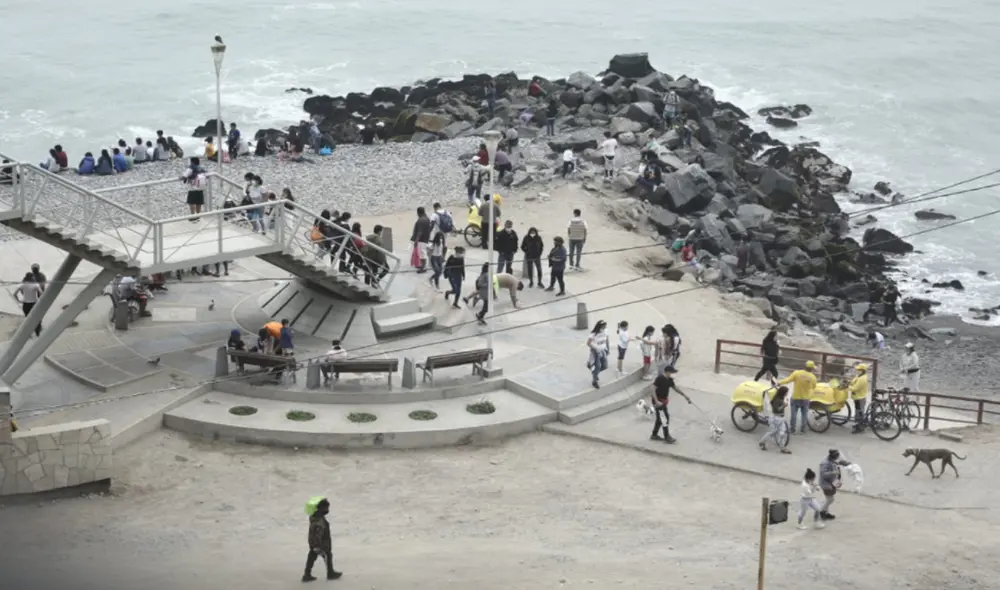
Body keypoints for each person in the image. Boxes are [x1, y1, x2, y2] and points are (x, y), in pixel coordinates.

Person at [302, 497, 342, 582]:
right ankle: (330, 573)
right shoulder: (319, 522)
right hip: (321, 544)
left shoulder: (316, 517)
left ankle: (307, 574)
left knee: (312, 557)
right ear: (321, 509)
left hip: (314, 544)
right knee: (327, 556)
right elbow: (318, 535)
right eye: (326, 508)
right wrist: (317, 546)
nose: (327, 510)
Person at [650, 366, 692, 443]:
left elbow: (675, 388)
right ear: (667, 372)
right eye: (672, 372)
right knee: (665, 418)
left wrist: (685, 396)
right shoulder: (660, 378)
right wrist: (656, 401)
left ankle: (654, 434)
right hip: (659, 402)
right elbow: (652, 389)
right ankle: (667, 437)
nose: (673, 374)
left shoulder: (670, 380)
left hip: (663, 401)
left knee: (660, 419)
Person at [778, 361, 818, 435]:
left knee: (793, 414)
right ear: (812, 368)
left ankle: (792, 429)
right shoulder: (813, 377)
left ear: (805, 366)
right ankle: (803, 430)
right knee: (804, 415)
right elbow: (814, 387)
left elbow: (787, 380)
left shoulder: (797, 373)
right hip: (806, 399)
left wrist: (779, 383)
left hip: (795, 397)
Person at [819, 449, 853, 521]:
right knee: (830, 499)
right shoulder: (824, 463)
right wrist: (833, 472)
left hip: (832, 481)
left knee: (828, 498)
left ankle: (826, 513)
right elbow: (824, 474)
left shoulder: (832, 459)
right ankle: (822, 511)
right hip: (826, 483)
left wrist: (846, 463)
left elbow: (839, 462)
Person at [758, 385, 791, 454]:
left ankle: (782, 448)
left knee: (782, 433)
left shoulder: (781, 398)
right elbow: (777, 410)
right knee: (773, 432)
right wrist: (784, 405)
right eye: (786, 392)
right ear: (783, 393)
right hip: (776, 418)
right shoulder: (777, 400)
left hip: (781, 418)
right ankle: (762, 442)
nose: (787, 394)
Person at [14, 272, 43, 336]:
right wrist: (39, 300)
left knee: (28, 319)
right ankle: (37, 332)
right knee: (37, 318)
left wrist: (19, 300)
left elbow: (15, 294)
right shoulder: (36, 285)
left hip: (25, 305)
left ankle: (29, 332)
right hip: (34, 304)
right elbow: (41, 293)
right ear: (32, 277)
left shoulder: (23, 285)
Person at [587, 320, 610, 388]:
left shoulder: (605, 332)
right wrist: (596, 348)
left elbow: (607, 340)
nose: (604, 328)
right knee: (598, 366)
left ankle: (594, 373)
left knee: (605, 366)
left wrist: (608, 349)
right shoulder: (594, 334)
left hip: (603, 350)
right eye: (603, 327)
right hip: (596, 352)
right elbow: (588, 343)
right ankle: (594, 381)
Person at [849, 364, 870, 433]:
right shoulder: (859, 376)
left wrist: (848, 387)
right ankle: (859, 424)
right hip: (858, 397)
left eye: (858, 370)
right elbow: (853, 381)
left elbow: (855, 388)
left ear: (862, 370)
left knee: (859, 412)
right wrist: (849, 382)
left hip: (859, 398)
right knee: (858, 411)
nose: (857, 371)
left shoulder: (862, 379)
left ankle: (860, 427)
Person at [411, 206, 432, 273]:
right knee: (422, 253)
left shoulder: (421, 220)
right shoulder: (427, 218)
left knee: (423, 254)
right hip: (426, 238)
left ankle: (423, 267)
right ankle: (422, 265)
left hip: (421, 240)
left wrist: (416, 240)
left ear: (418, 212)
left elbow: (420, 232)